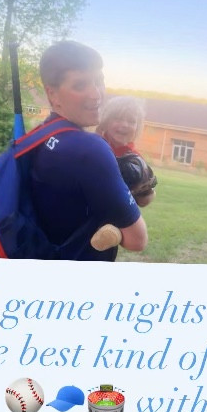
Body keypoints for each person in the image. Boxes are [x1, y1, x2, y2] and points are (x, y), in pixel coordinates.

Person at [16, 42, 148, 262]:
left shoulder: (41, 135)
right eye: (80, 85)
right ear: (53, 94)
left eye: (99, 81)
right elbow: (137, 240)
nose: (96, 94)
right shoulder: (90, 149)